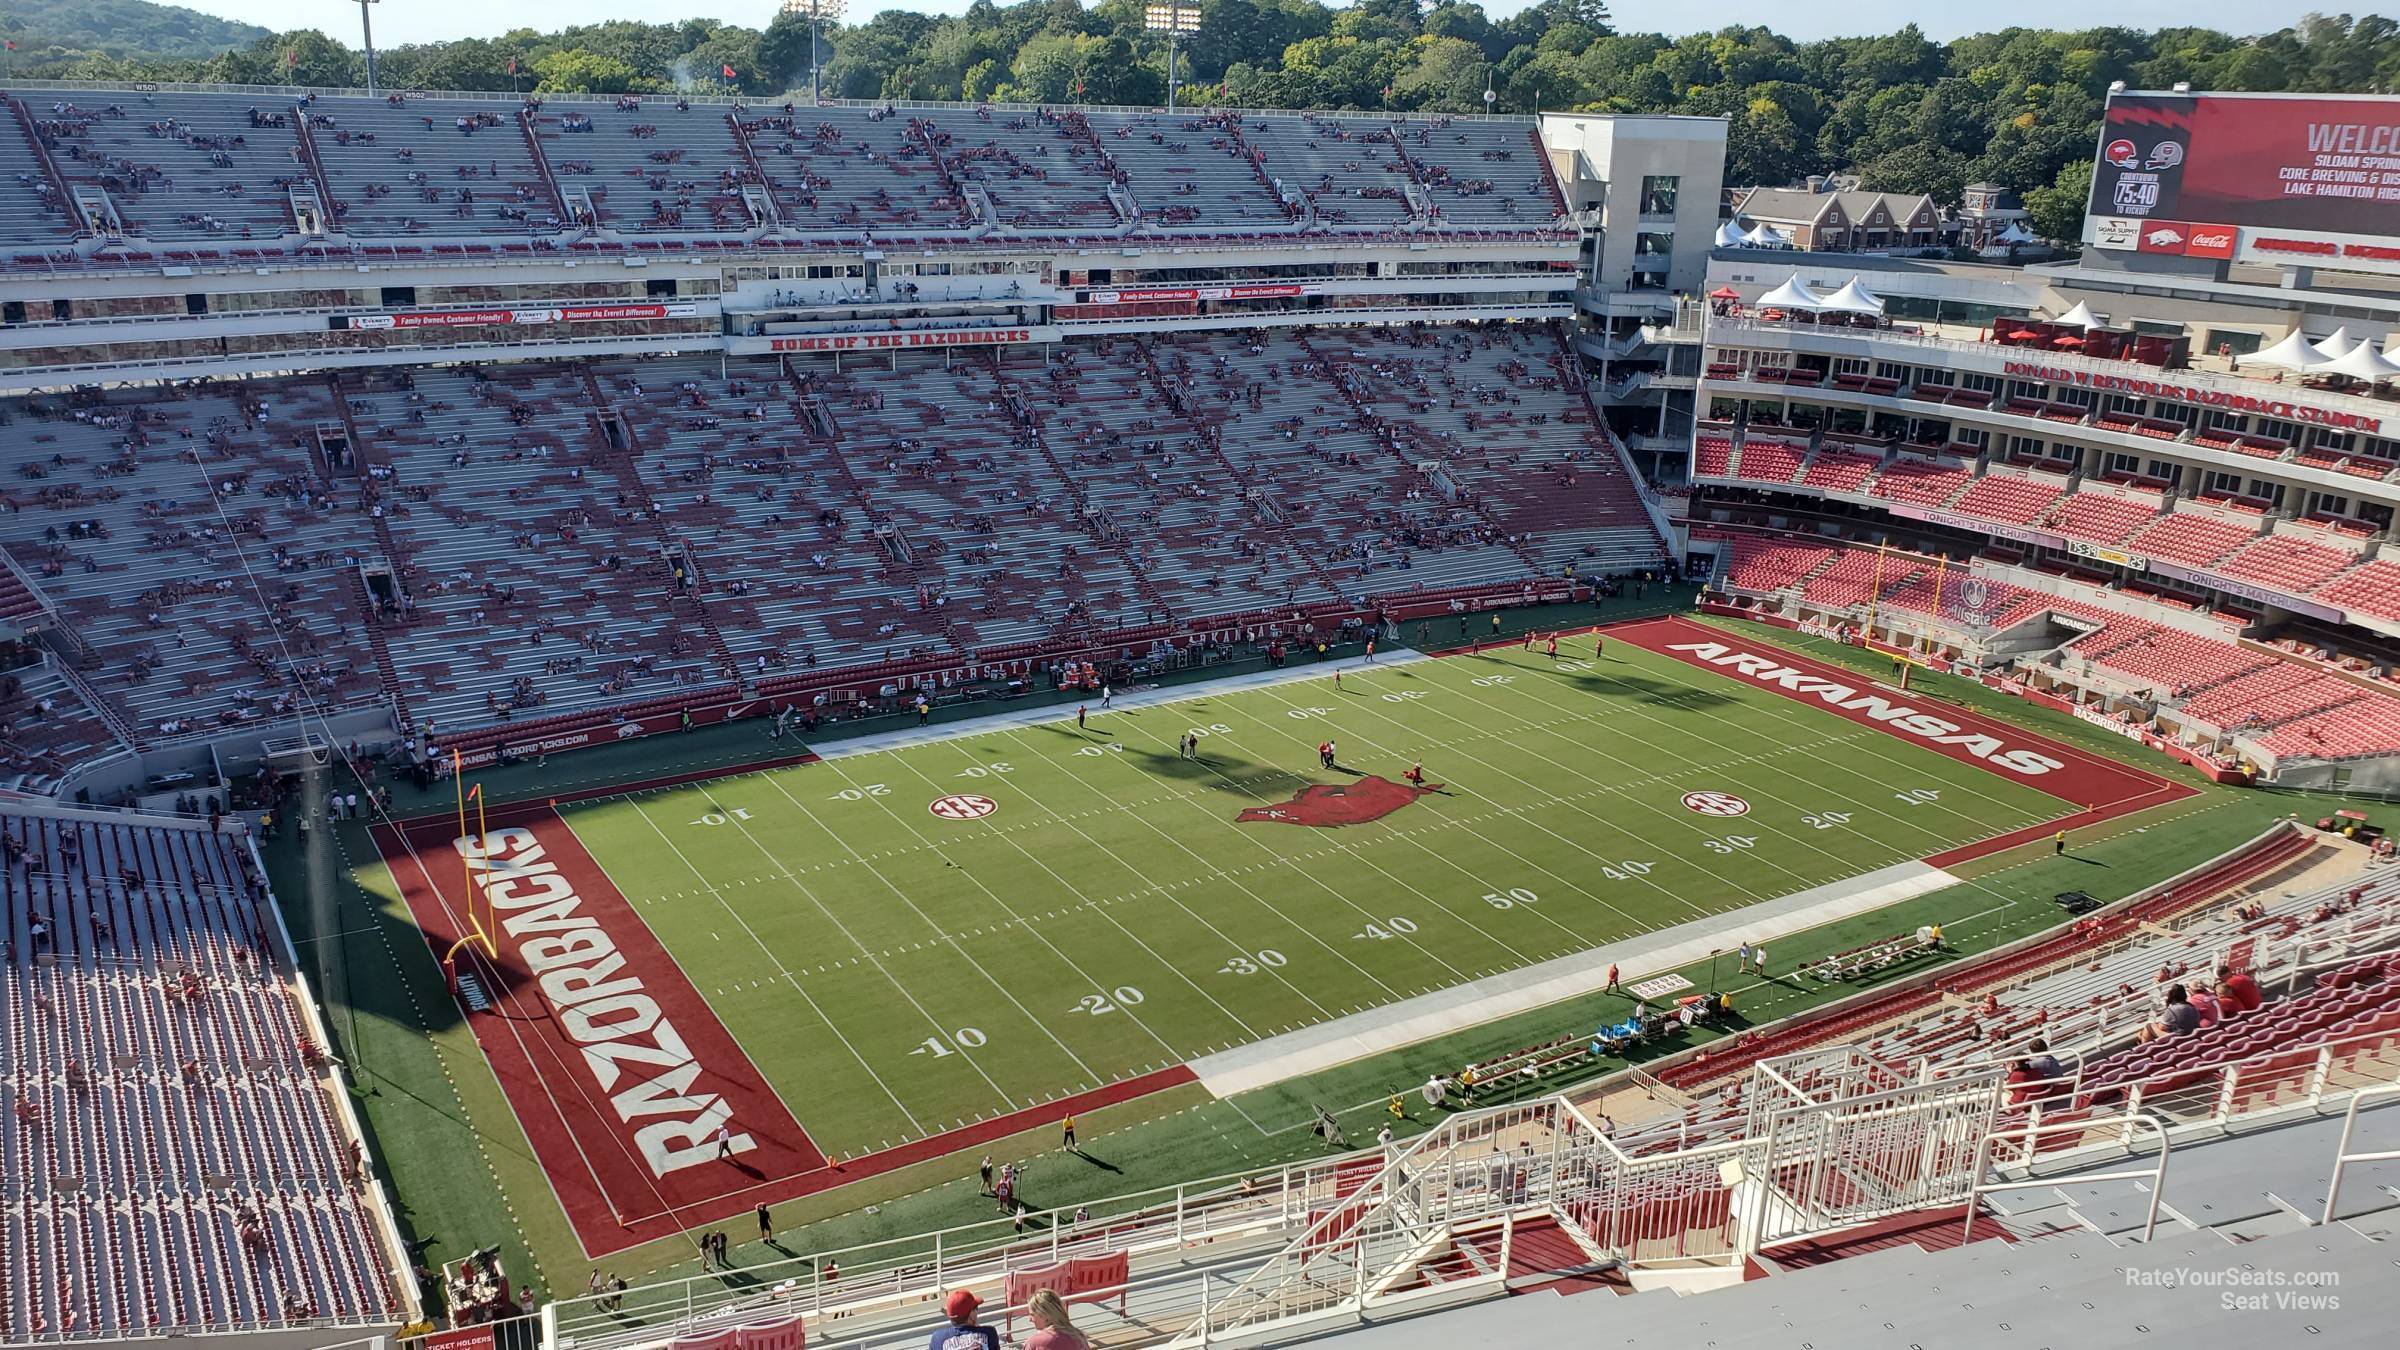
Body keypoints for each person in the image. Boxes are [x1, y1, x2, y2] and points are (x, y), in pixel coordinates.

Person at [929, 1289, 999, 1350]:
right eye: (976, 1308)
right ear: (971, 1314)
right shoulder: (988, 1333)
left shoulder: (937, 1338)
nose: (977, 1311)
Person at [1023, 1290, 1089, 1350]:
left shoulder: (1035, 1342)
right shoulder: (1078, 1337)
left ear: (1045, 1315)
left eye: (1032, 1315)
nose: (1030, 1320)